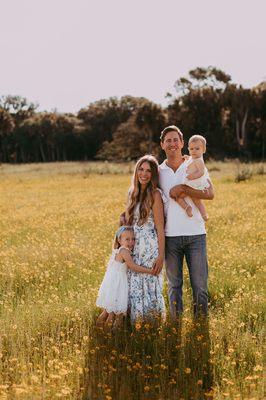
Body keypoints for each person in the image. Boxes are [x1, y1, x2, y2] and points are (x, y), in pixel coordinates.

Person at [158, 125, 214, 318]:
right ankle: (176, 325)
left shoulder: (194, 164)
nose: (172, 144)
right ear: (162, 145)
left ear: (182, 143)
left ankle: (201, 324)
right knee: (174, 285)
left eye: (176, 140)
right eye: (168, 140)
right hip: (170, 237)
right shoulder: (159, 172)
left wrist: (184, 188)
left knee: (200, 285)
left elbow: (210, 194)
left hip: (196, 235)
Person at [125, 155, 165, 322]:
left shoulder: (155, 194)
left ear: (153, 174)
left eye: (149, 171)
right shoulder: (132, 193)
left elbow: (160, 227)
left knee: (149, 282)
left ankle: (151, 323)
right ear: (136, 171)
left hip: (149, 247)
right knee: (133, 283)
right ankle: (135, 322)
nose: (144, 174)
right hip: (133, 246)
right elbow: (127, 223)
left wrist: (161, 255)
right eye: (141, 169)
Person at [96, 225, 156, 328]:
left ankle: (99, 331)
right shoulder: (124, 251)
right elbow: (133, 266)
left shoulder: (117, 250)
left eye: (133, 239)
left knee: (108, 312)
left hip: (111, 284)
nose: (131, 242)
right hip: (117, 286)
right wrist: (150, 271)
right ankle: (109, 335)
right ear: (119, 240)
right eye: (127, 239)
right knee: (115, 314)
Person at [175, 134, 210, 221]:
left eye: (197, 149)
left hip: (194, 183)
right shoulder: (193, 158)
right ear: (188, 149)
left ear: (203, 150)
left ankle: (203, 214)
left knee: (193, 199)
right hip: (190, 183)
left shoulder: (199, 161)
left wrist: (192, 177)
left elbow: (201, 172)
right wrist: (188, 157)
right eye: (191, 149)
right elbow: (191, 160)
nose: (194, 151)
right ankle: (189, 208)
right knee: (187, 198)